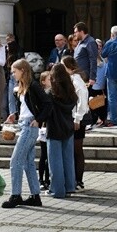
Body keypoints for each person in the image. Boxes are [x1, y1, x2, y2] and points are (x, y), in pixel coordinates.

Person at [1, 59, 45, 208]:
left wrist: (39, 119)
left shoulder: (33, 85)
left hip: (30, 126)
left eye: (15, 71)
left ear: (23, 71)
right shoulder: (23, 86)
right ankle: (35, 196)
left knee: (15, 161)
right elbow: (27, 106)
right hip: (24, 124)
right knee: (27, 162)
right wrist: (15, 115)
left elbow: (48, 104)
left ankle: (15, 195)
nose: (13, 74)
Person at [46, 63, 84, 199]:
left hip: (54, 127)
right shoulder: (71, 92)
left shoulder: (51, 93)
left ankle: (57, 189)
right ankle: (69, 186)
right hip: (68, 127)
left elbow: (46, 110)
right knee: (68, 159)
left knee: (55, 161)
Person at [61, 55, 90, 190]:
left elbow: (82, 101)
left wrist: (77, 118)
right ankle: (73, 178)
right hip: (71, 117)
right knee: (73, 149)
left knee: (77, 149)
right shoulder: (70, 80)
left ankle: (78, 180)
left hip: (78, 118)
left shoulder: (77, 81)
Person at [72, 22, 99, 87]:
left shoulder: (90, 42)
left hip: (84, 74)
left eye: (76, 32)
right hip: (77, 74)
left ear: (81, 31)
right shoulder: (80, 42)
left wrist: (92, 77)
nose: (74, 34)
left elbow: (93, 60)